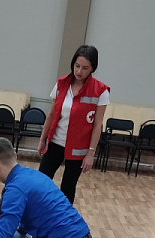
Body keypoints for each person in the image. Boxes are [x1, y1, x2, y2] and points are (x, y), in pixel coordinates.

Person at [37, 45, 110, 204]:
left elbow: (97, 125)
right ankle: (37, 215)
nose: (79, 71)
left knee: (68, 188)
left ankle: (64, 218)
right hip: (55, 142)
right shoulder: (61, 83)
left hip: (78, 148)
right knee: (41, 183)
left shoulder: (101, 91)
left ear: (92, 68)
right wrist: (42, 139)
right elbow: (51, 114)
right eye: (77, 66)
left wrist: (90, 154)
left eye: (85, 68)